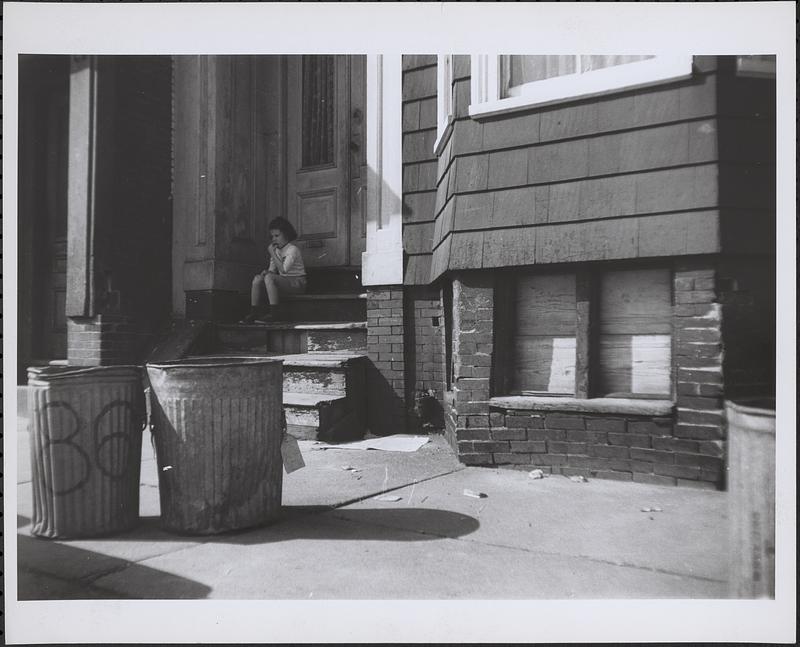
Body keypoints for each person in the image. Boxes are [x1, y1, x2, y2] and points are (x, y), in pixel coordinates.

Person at [241, 217, 307, 323]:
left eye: (277, 236)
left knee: (269, 278)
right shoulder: (276, 250)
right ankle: (254, 312)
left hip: (297, 283)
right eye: (272, 236)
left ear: (286, 234)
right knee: (257, 279)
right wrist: (265, 273)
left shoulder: (292, 249)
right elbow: (272, 270)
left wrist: (272, 253)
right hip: (284, 282)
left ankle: (275, 314)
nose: (273, 239)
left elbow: (284, 270)